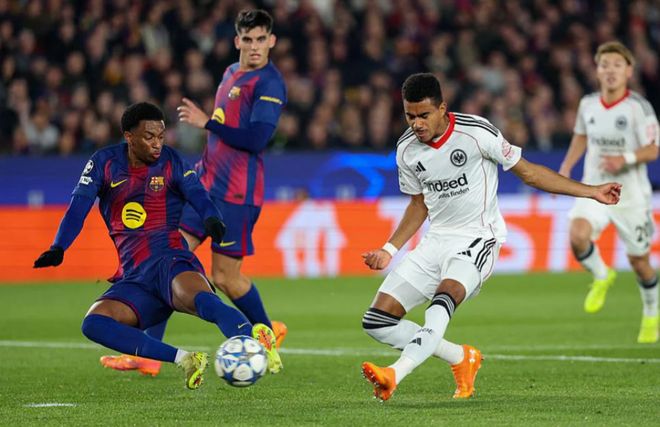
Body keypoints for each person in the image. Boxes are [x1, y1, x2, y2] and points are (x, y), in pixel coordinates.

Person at [360, 73, 621, 402]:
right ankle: (461, 357)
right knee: (377, 321)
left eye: (424, 115)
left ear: (442, 108)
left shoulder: (476, 133)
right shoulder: (406, 149)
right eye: (409, 116)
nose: (417, 124)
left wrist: (591, 191)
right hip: (435, 242)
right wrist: (389, 249)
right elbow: (418, 204)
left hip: (478, 238)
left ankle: (395, 374)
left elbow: (530, 173)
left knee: (442, 302)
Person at [33, 102, 279, 389]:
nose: (157, 144)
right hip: (135, 278)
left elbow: (198, 194)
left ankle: (252, 339)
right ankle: (186, 359)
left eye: (161, 136)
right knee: (93, 324)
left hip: (171, 260)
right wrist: (59, 246)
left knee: (203, 300)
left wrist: (211, 218)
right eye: (149, 136)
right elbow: (78, 207)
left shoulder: (171, 161)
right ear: (129, 136)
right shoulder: (104, 163)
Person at [101, 9, 287, 376]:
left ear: (272, 41)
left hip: (236, 194)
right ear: (236, 41)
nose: (254, 46)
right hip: (205, 185)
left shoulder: (269, 83)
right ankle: (149, 355)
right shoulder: (231, 73)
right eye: (247, 39)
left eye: (260, 39)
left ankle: (266, 335)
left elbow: (257, 139)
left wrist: (209, 123)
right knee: (164, 259)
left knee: (225, 277)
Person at [558, 41, 659, 344]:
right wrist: (566, 167)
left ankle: (651, 313)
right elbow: (580, 136)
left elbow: (653, 149)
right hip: (595, 187)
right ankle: (602, 274)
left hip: (631, 196)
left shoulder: (639, 108)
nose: (610, 70)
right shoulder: (588, 104)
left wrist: (623, 159)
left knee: (640, 263)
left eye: (617, 65)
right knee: (577, 235)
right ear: (597, 71)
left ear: (629, 71)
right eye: (605, 65)